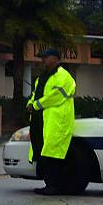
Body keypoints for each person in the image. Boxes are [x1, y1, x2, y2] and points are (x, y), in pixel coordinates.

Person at [26, 48, 76, 195]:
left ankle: (54, 186)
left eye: (46, 57)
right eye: (43, 57)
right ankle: (49, 185)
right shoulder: (42, 77)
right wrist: (30, 103)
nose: (43, 60)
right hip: (42, 120)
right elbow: (35, 94)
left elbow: (55, 97)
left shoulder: (64, 76)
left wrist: (36, 105)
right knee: (43, 152)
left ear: (55, 59)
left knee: (53, 154)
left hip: (57, 121)